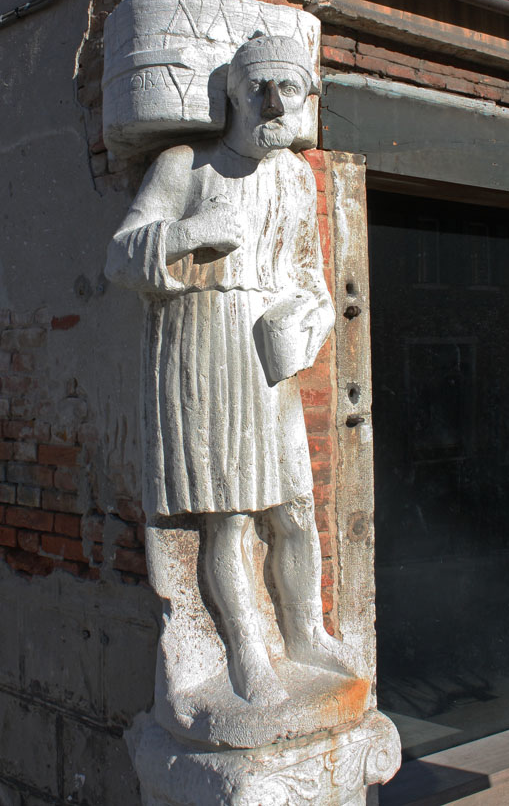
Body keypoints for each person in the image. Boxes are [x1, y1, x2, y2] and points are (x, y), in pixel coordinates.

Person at [105, 35, 364, 705]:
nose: (274, 102)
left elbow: (309, 275)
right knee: (230, 519)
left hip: (264, 356)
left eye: (290, 87)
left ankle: (304, 628)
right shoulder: (184, 165)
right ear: (232, 91)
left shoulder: (293, 179)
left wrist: (307, 316)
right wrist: (190, 233)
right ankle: (248, 647)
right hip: (202, 346)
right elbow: (119, 255)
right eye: (259, 87)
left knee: (296, 508)